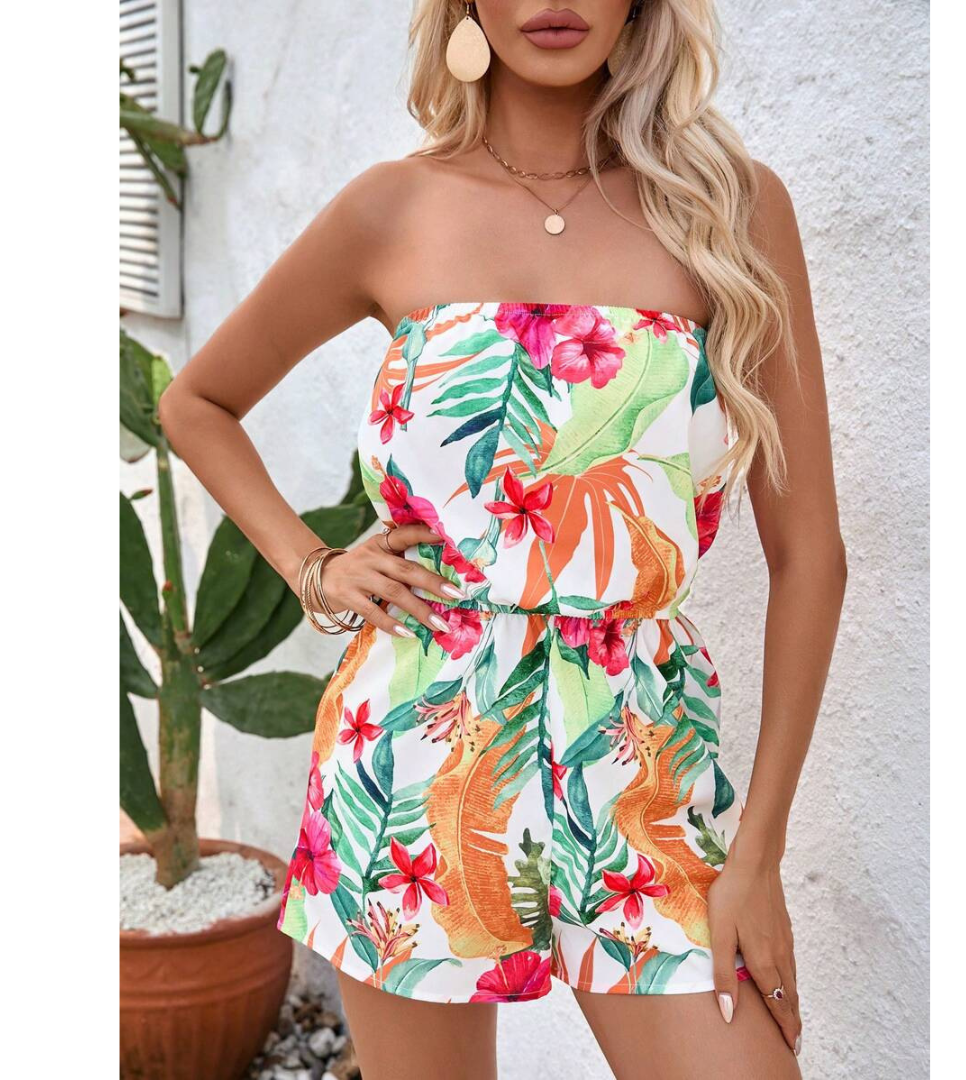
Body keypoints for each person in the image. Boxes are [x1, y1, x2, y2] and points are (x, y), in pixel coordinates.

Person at [159, 2, 847, 1076]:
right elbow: (197, 403)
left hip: (642, 758)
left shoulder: (732, 209)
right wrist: (314, 568)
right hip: (414, 753)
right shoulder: (391, 209)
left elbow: (811, 559)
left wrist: (757, 854)